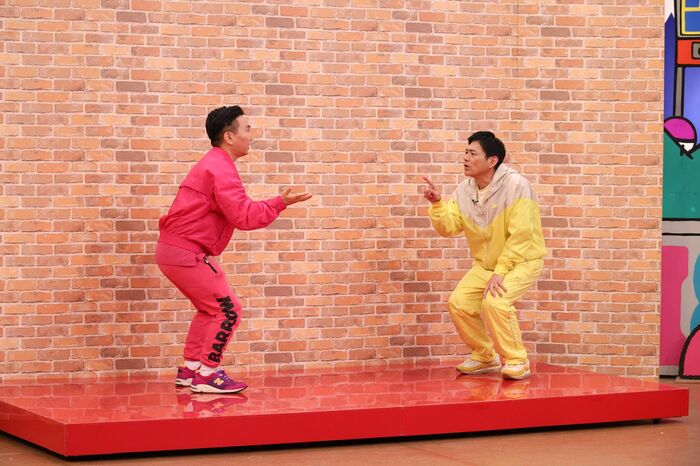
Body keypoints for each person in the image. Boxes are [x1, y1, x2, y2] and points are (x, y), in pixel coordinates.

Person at [157, 105, 311, 393]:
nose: (252, 136)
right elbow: (245, 217)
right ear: (229, 136)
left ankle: (191, 369)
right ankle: (208, 374)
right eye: (247, 129)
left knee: (209, 309)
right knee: (229, 310)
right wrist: (280, 202)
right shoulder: (220, 168)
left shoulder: (213, 164)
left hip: (174, 251)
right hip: (185, 253)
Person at [423, 131, 546, 380]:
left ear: (492, 161)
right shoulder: (464, 191)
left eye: (472, 153)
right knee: (459, 303)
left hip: (521, 261)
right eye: (465, 152)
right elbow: (449, 228)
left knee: (496, 303)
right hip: (486, 265)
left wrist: (501, 271)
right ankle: (484, 356)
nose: (465, 158)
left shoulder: (517, 186)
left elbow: (522, 235)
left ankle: (517, 360)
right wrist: (437, 204)